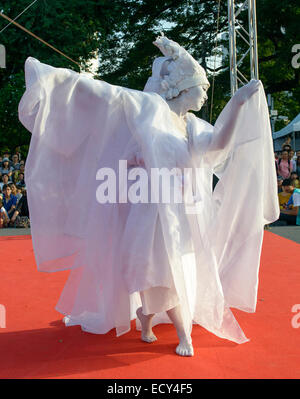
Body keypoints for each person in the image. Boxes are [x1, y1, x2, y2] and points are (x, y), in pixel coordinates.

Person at [18, 35, 279, 356]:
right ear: (181, 89)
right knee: (160, 274)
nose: (206, 93)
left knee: (171, 273)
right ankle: (183, 334)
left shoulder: (193, 127)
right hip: (150, 216)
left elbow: (221, 146)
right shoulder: (149, 115)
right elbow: (109, 96)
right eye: (202, 87)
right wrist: (58, 79)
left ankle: (145, 319)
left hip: (181, 217)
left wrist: (238, 104)